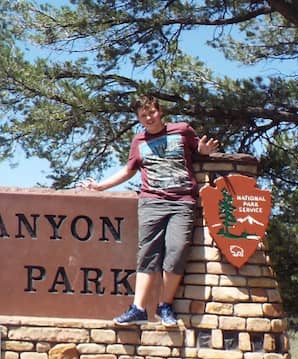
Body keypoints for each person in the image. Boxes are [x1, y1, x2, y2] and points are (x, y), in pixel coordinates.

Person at [80, 93, 220, 327]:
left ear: (160, 111)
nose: (149, 117)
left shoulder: (182, 130)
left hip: (182, 202)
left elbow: (200, 151)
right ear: (139, 118)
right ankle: (139, 309)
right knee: (148, 255)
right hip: (151, 203)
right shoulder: (139, 141)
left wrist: (205, 151)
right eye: (143, 115)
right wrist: (100, 186)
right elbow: (128, 171)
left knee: (175, 253)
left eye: (152, 112)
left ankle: (165, 306)